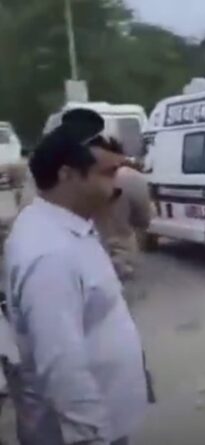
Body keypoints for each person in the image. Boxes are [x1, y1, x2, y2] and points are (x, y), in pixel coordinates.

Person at [3, 109, 148, 445]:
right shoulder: (48, 255)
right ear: (68, 175)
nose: (117, 185)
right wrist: (91, 436)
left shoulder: (67, 225)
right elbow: (62, 368)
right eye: (108, 173)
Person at [93, 139, 152, 302]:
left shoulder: (83, 179)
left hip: (93, 250)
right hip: (123, 249)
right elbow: (143, 220)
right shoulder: (134, 179)